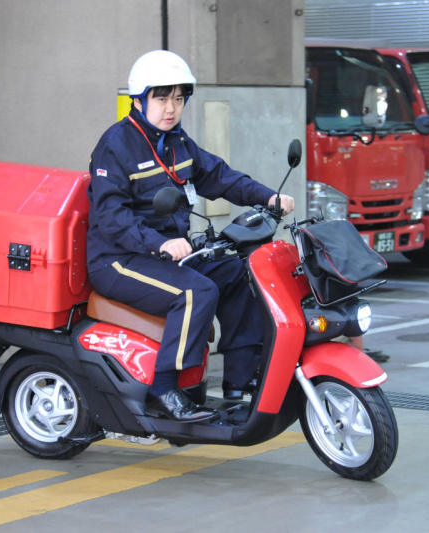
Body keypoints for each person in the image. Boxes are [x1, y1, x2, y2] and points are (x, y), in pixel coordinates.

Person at [86, 50, 295, 422]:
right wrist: (160, 242)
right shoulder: (116, 146)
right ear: (139, 99)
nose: (171, 108)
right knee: (196, 292)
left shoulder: (177, 141)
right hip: (118, 259)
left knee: (239, 273)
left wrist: (268, 196)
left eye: (179, 98)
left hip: (167, 254)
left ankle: (239, 381)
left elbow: (218, 176)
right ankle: (165, 388)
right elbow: (110, 215)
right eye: (162, 97)